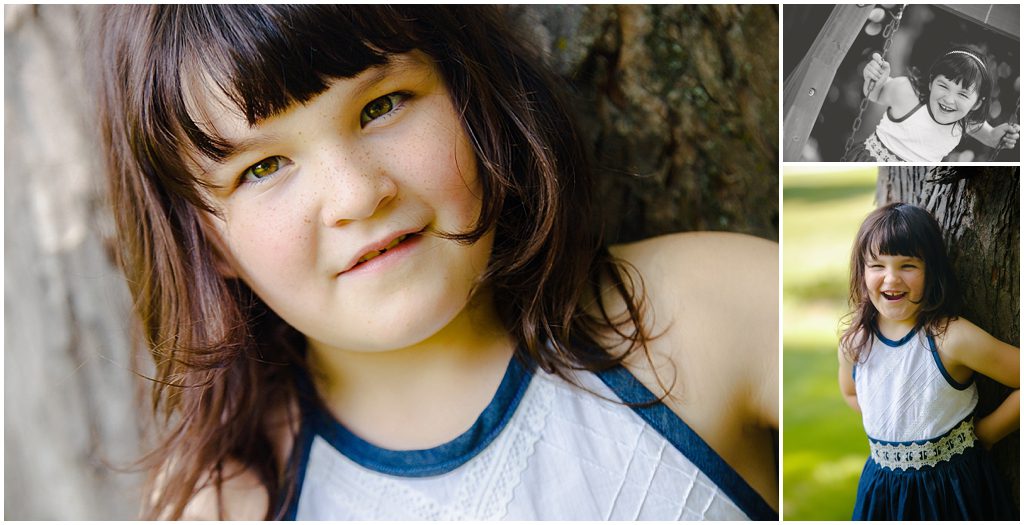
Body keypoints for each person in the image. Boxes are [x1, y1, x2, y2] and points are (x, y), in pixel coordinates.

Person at [94, 5, 778, 521]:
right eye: (264, 167)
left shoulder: (707, 314)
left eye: (381, 106)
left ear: (470, 91)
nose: (356, 195)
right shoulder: (231, 504)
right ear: (206, 242)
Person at [837, 203, 1019, 520]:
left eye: (908, 265)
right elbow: (851, 392)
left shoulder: (951, 338)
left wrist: (988, 433)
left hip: (950, 491)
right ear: (861, 271)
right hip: (882, 490)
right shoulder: (856, 342)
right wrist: (895, 423)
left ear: (931, 271)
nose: (891, 279)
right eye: (877, 265)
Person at [847, 45, 1020, 161]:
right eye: (943, 86)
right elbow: (875, 94)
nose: (949, 99)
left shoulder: (966, 121)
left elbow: (989, 136)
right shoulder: (907, 93)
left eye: (962, 94)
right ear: (931, 82)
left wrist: (999, 137)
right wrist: (874, 79)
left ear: (976, 104)